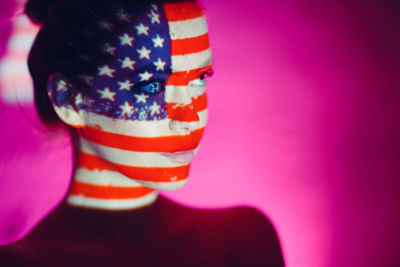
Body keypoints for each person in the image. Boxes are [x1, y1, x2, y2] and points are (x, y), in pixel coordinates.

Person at [0, 0, 285, 265]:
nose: (189, 118)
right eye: (150, 86)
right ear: (69, 99)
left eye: (200, 78)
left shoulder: (244, 239)